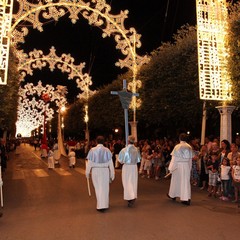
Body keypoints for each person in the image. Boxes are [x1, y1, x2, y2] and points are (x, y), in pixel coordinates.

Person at [85, 136, 115, 212]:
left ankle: (100, 205)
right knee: (105, 188)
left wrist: (87, 172)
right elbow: (110, 163)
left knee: (98, 188)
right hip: (105, 171)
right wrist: (112, 173)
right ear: (104, 141)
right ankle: (104, 204)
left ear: (96, 142)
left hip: (95, 171)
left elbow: (89, 163)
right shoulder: (107, 150)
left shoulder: (92, 150)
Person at [167, 133, 193, 205]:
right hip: (186, 166)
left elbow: (174, 159)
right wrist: (189, 168)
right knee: (185, 182)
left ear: (179, 139)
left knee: (175, 181)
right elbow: (190, 159)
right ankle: (186, 198)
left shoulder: (177, 147)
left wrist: (171, 169)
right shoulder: (189, 147)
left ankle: (173, 195)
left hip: (178, 166)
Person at [118, 135, 141, 207]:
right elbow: (139, 159)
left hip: (127, 167)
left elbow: (120, 161)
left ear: (128, 141)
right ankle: (132, 196)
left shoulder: (124, 150)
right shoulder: (137, 149)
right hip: (134, 167)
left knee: (127, 182)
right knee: (133, 182)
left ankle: (130, 197)